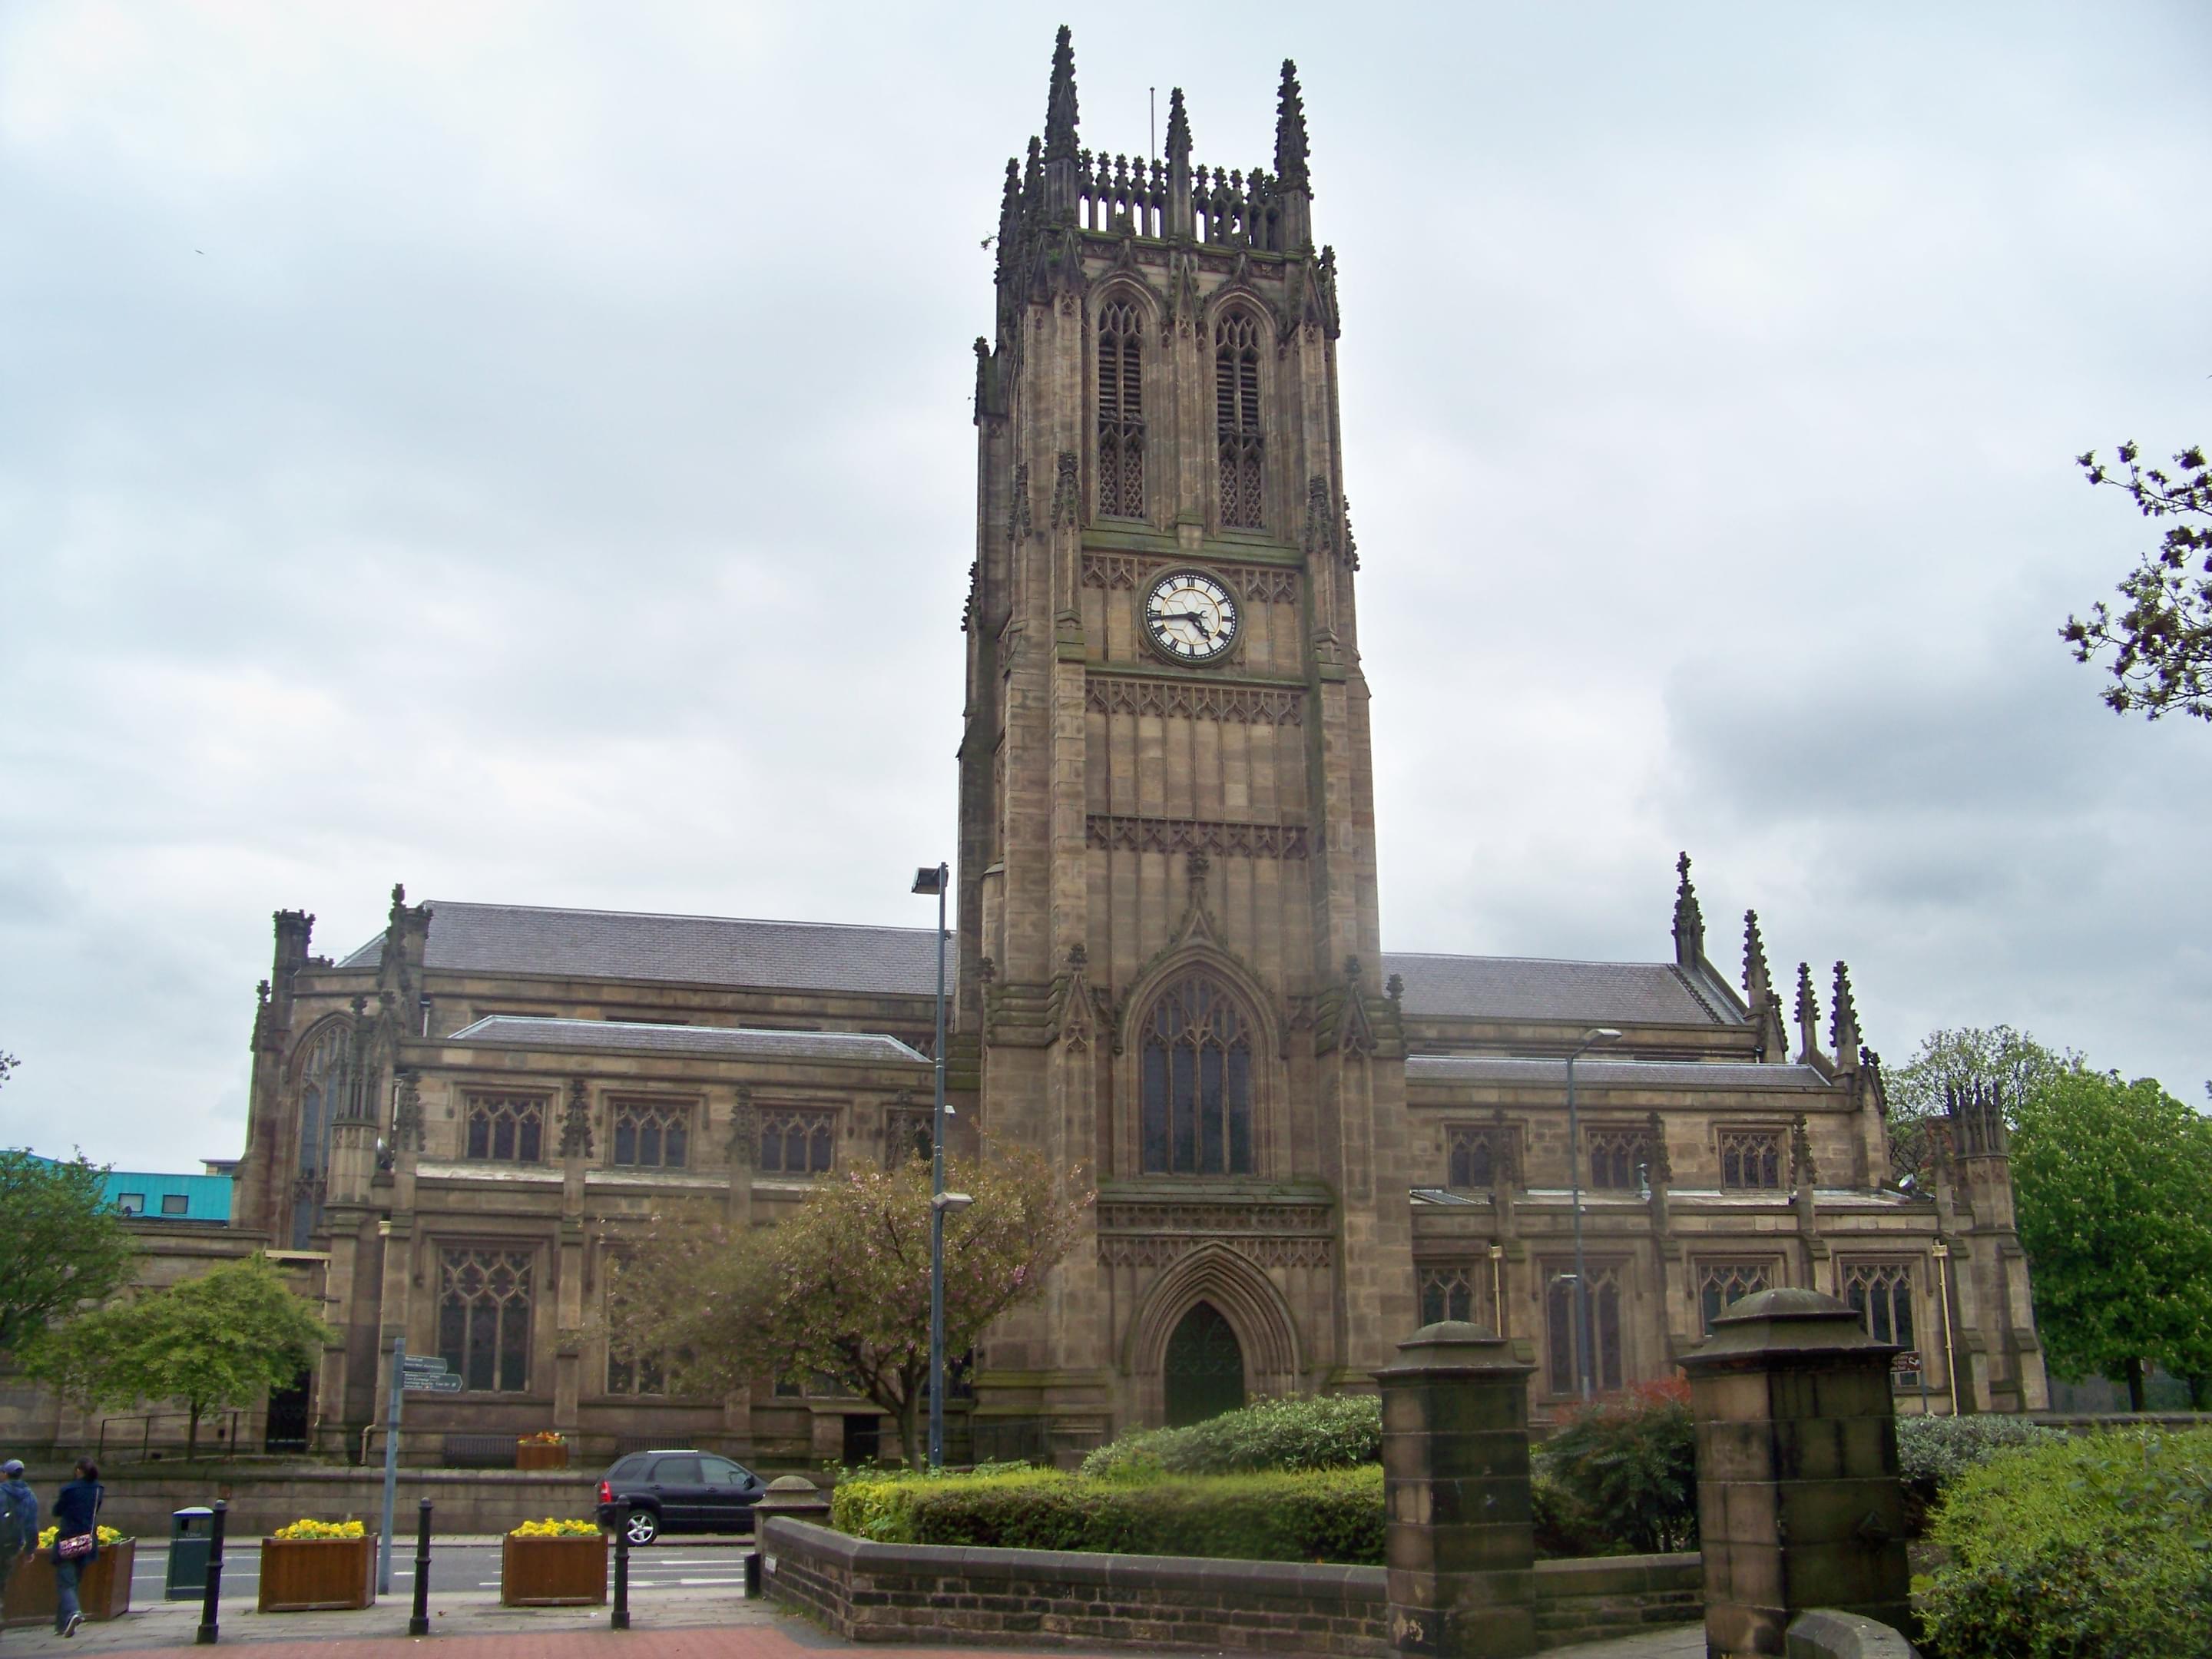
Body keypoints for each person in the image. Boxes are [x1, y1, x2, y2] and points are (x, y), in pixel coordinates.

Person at [49, 1459, 102, 1638]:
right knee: (73, 1582)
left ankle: (73, 1613)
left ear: (79, 1471)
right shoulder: (97, 1490)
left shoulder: (69, 1490)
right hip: (87, 1540)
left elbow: (57, 1511)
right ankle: (61, 1625)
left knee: (65, 1583)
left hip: (68, 1540)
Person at [0, 1459, 40, 1615]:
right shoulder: (30, 1496)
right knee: (3, 1578)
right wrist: (30, 1550)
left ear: (5, 1474)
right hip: (12, 1544)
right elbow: (31, 1526)